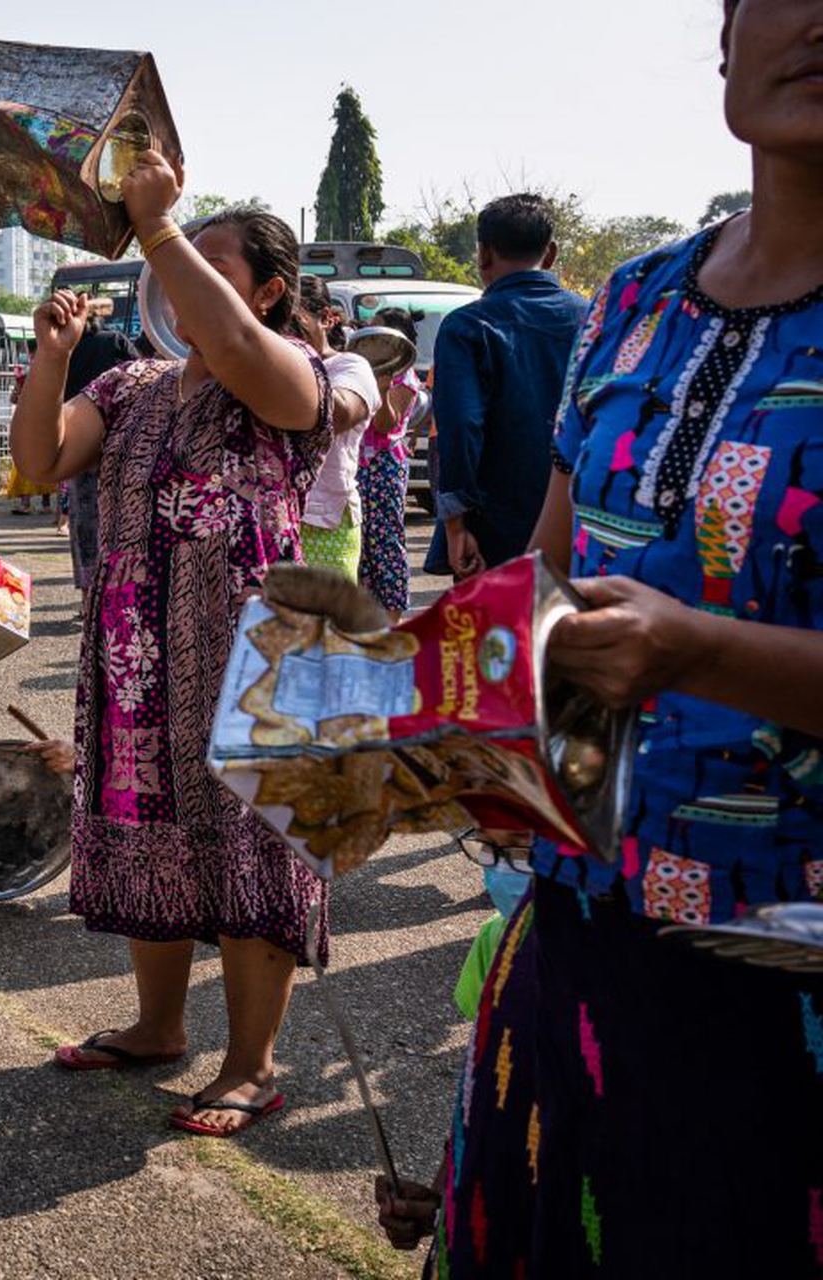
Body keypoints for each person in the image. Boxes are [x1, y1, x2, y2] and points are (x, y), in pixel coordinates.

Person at [392, 5, 823, 1269]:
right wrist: (382, 716)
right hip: (588, 938)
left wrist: (701, 653)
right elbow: (556, 580)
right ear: (729, 34)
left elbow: (653, 635)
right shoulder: (635, 300)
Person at [10, 167, 332, 1137]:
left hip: (253, 647)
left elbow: (232, 343)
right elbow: (36, 460)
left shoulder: (291, 375)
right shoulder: (132, 382)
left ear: (267, 289)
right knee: (148, 829)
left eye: (204, 259)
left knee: (251, 846)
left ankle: (251, 1062)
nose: (168, 275)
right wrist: (50, 359)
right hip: (136, 646)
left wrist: (154, 223)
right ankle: (157, 1026)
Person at [426, 193, 588, 580]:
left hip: (496, 529)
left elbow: (462, 426)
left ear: (482, 255)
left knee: (501, 635)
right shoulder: (598, 316)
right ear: (550, 254)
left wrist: (455, 526)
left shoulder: (466, 327)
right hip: (584, 522)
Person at [293, 276, 380, 577]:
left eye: (296, 325)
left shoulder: (350, 367)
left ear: (327, 318)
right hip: (271, 518)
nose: (289, 337)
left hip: (324, 521)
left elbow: (338, 415)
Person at [60, 313, 140, 594]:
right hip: (118, 441)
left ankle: (88, 590)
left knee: (83, 522)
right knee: (121, 518)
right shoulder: (114, 340)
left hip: (77, 442)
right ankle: (120, 588)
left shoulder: (61, 347)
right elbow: (141, 375)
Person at [357, 307, 426, 617]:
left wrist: (382, 390)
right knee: (360, 546)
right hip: (360, 467)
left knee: (384, 543)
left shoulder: (405, 377)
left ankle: (392, 616)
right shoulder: (367, 368)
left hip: (384, 467)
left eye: (377, 330)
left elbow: (386, 425)